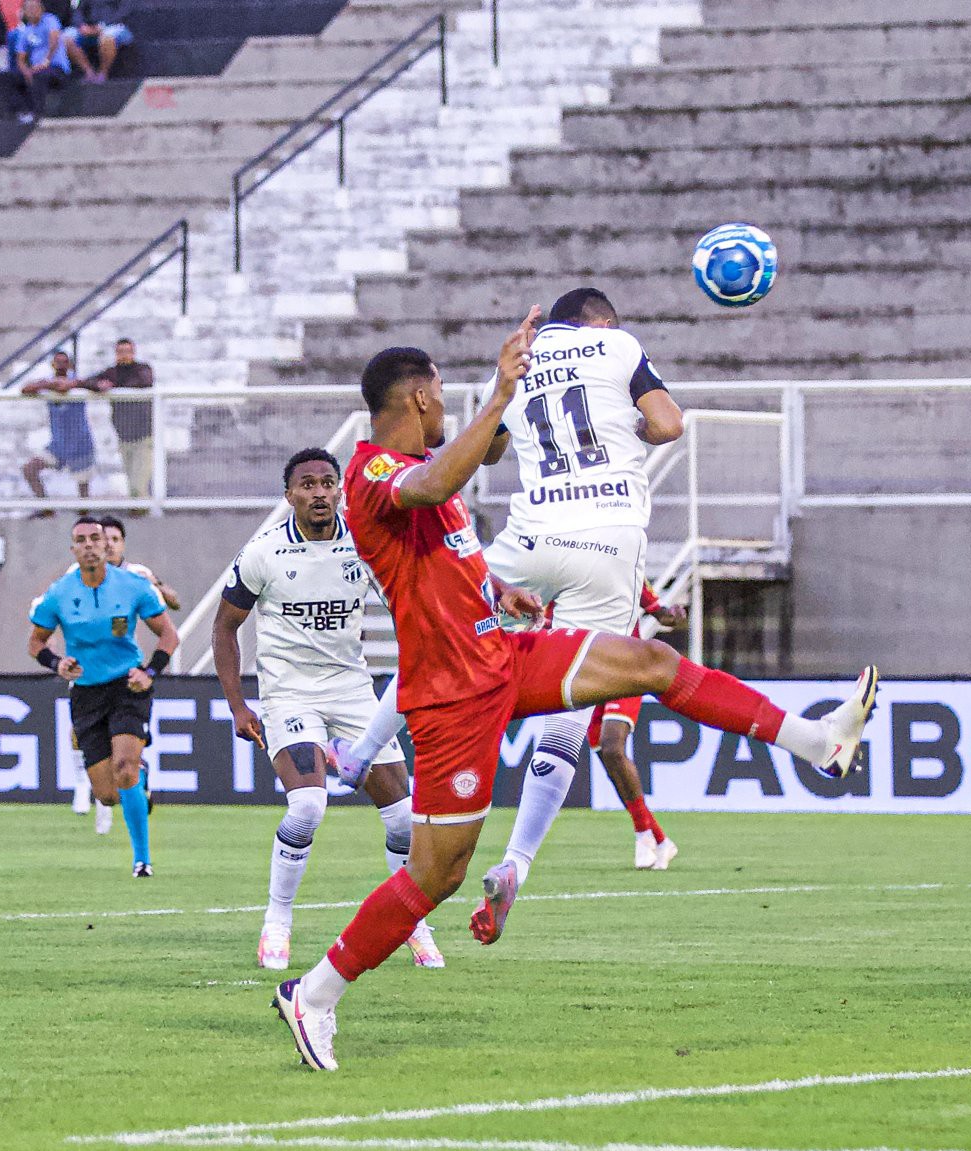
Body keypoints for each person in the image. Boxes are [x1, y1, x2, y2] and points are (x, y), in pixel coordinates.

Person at [271, 317, 878, 1071]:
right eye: (442, 397)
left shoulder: (421, 468)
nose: (449, 412)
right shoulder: (371, 469)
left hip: (499, 655)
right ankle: (318, 993)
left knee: (650, 659)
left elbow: (439, 559)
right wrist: (501, 392)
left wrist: (496, 592)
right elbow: (431, 486)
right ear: (422, 396)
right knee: (438, 873)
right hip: (451, 698)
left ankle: (817, 741)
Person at [331, 287, 686, 918]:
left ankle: (360, 751)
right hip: (601, 537)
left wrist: (510, 396)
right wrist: (619, 427)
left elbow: (489, 448)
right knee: (575, 715)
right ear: (601, 321)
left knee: (447, 628)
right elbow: (667, 425)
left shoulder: (520, 364)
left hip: (530, 535)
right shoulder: (617, 346)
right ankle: (516, 862)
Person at [213, 448, 445, 972]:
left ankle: (412, 923)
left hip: (352, 693)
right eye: (307, 485)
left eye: (327, 483)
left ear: (341, 489)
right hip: (289, 693)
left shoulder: (364, 543)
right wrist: (237, 703)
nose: (318, 493)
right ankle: (277, 921)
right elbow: (225, 626)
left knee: (405, 818)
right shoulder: (264, 552)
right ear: (289, 495)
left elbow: (407, 602)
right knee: (308, 806)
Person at [28, 516, 178, 877]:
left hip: (127, 687)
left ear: (106, 545)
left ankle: (142, 860)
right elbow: (35, 642)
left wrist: (149, 672)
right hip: (86, 693)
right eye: (82, 540)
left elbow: (168, 635)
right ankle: (138, 777)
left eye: (96, 538)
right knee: (108, 794)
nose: (91, 545)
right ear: (73, 550)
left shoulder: (132, 585)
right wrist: (57, 663)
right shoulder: (60, 593)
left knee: (124, 770)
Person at [65, 514, 179, 825]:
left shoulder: (135, 575)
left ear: (122, 544)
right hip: (87, 673)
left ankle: (132, 777)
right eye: (107, 540)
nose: (110, 546)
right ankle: (87, 788)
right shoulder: (77, 575)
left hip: (125, 673)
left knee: (124, 753)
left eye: (116, 540)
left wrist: (155, 585)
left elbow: (174, 604)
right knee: (80, 737)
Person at [585, 581, 689, 869]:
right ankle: (660, 839)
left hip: (629, 667)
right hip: (592, 673)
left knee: (612, 747)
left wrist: (674, 615)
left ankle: (644, 836)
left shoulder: (627, 567)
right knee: (608, 759)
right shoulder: (572, 567)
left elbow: (659, 613)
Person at [20, 351, 96, 510]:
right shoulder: (48, 384)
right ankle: (46, 509)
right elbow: (26, 389)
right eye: (58, 362)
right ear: (53, 365)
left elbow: (89, 385)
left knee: (83, 499)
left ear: (70, 365)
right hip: (58, 445)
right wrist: (47, 385)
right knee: (29, 469)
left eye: (64, 362)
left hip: (80, 445)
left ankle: (85, 521)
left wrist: (68, 384)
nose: (61, 365)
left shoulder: (78, 383)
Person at [86, 338, 155, 502]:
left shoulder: (141, 369)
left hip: (143, 436)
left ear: (133, 352)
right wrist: (99, 385)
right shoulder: (112, 372)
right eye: (120, 352)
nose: (124, 356)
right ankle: (137, 514)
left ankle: (141, 514)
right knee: (131, 481)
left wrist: (114, 385)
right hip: (123, 436)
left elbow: (144, 381)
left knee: (140, 483)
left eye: (127, 351)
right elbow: (89, 381)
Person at [5, 0, 69, 124]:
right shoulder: (26, 31)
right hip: (36, 69)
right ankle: (21, 112)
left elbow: (54, 40)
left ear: (41, 9)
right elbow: (20, 58)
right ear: (24, 12)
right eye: (29, 8)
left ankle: (38, 114)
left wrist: (46, 61)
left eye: (35, 7)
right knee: (11, 76)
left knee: (40, 76)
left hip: (55, 67)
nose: (32, 11)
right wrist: (25, 71)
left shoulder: (50, 20)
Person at [65, 0, 133, 82]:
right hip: (90, 27)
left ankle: (103, 73)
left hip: (116, 25)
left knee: (107, 36)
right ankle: (89, 72)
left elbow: (124, 11)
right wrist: (81, 25)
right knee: (66, 37)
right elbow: (77, 11)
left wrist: (101, 26)